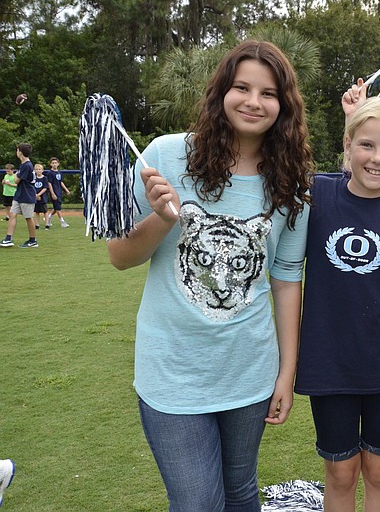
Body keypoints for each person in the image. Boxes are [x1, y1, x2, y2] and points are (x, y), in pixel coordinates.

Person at [106, 39, 313, 511]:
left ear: (284, 105)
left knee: (241, 492)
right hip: (173, 371)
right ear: (222, 91)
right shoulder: (167, 154)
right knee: (198, 502)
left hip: (249, 371)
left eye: (268, 92)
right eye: (241, 87)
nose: (253, 101)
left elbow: (284, 281)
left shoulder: (291, 181)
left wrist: (286, 373)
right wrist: (161, 217)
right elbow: (120, 257)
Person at [294, 95, 380, 512]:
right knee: (340, 472)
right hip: (329, 362)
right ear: (347, 145)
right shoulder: (317, 197)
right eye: (366, 144)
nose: (377, 157)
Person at [1, 143, 38, 248]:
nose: (16, 152)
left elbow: (17, 180)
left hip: (27, 195)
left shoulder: (27, 165)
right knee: (12, 214)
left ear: (20, 152)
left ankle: (33, 240)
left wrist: (16, 174)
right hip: (19, 194)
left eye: (17, 150)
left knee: (28, 218)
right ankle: (8, 239)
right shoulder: (23, 165)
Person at [46, 157, 71, 228]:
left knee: (57, 207)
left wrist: (66, 190)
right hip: (54, 191)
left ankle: (49, 217)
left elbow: (61, 182)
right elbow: (49, 183)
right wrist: (52, 193)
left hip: (59, 191)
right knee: (58, 207)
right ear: (50, 164)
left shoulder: (59, 172)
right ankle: (62, 221)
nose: (54, 164)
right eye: (53, 163)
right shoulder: (50, 173)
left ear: (58, 164)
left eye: (55, 163)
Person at [33, 163, 48, 229]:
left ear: (42, 170)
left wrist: (39, 194)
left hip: (43, 197)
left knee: (45, 211)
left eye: (39, 169)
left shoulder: (44, 178)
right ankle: (37, 224)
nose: (38, 171)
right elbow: (31, 187)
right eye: (36, 169)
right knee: (37, 212)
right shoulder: (34, 178)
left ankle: (47, 224)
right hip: (35, 197)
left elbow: (45, 188)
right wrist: (35, 195)